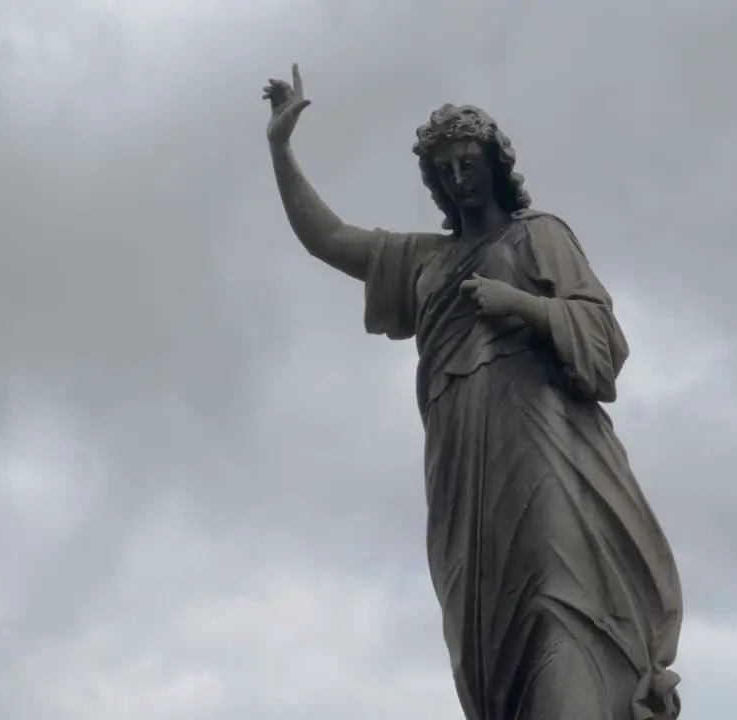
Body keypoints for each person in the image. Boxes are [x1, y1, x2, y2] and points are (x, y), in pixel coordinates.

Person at [262, 64, 683, 720]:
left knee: (555, 591)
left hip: (538, 437)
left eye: (467, 163)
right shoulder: (426, 259)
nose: (458, 179)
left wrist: (520, 304)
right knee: (486, 622)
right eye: (444, 170)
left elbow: (604, 339)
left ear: (493, 163)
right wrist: (279, 149)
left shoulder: (538, 234)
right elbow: (329, 238)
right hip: (459, 455)